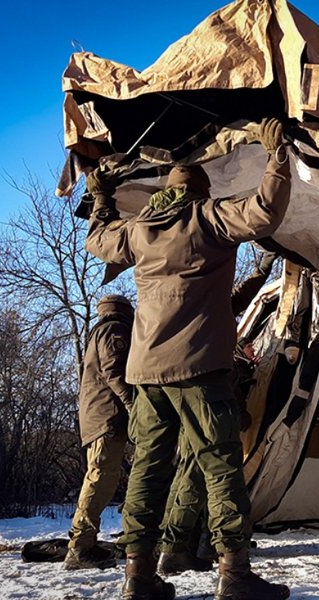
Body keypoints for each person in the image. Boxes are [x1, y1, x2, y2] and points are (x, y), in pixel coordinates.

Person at [85, 118, 291, 600]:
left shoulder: (138, 232)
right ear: (199, 191)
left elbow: (97, 238)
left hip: (146, 373)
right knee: (221, 467)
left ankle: (137, 577)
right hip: (200, 368)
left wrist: (100, 196)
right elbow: (263, 212)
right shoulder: (208, 218)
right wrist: (277, 154)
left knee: (147, 470)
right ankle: (234, 574)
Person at [157, 251, 278, 577]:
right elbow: (233, 299)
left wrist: (261, 272)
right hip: (204, 393)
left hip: (192, 393)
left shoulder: (180, 295)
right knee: (217, 475)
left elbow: (236, 298)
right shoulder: (192, 302)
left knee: (193, 474)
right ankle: (224, 559)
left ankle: (175, 548)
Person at [64, 295, 135, 571]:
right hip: (108, 417)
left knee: (104, 475)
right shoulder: (114, 330)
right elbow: (114, 372)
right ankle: (81, 546)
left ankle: (84, 542)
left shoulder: (99, 331)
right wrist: (133, 405)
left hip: (99, 416)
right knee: (100, 477)